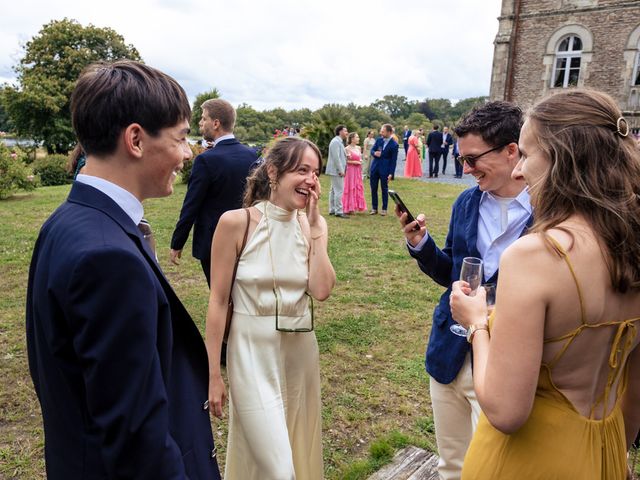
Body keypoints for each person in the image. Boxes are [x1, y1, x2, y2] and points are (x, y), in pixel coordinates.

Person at [26, 60, 221, 479]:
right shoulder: (107, 257)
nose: (188, 154)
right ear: (135, 139)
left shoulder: (67, 221)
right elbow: (137, 440)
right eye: (182, 138)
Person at [450, 89, 640, 479]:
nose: (519, 171)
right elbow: (634, 396)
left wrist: (476, 324)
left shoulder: (536, 256)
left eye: (526, 154)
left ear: (563, 160)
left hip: (527, 459)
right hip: (604, 453)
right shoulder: (633, 247)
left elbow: (506, 411)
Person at [396, 101, 531, 480]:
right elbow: (451, 272)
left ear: (511, 150)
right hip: (451, 352)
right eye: (462, 160)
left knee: (492, 470)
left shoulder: (549, 211)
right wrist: (422, 245)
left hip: (508, 360)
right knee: (451, 465)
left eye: (473, 160)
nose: (465, 169)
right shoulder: (466, 202)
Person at [206, 136, 336, 479]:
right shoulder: (237, 223)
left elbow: (321, 289)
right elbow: (218, 301)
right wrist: (213, 374)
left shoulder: (311, 226)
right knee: (278, 468)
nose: (311, 179)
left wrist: (316, 228)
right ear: (274, 172)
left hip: (299, 353)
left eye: (316, 172)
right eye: (303, 169)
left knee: (293, 450)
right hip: (251, 354)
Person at [170, 99, 257, 287]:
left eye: (203, 119)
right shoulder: (251, 155)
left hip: (214, 241)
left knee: (220, 294)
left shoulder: (206, 160)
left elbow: (191, 205)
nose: (201, 124)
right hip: (247, 237)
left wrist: (178, 242)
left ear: (216, 123)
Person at [369, 123, 398, 216]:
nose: (381, 132)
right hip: (375, 168)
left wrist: (391, 174)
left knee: (384, 189)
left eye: (383, 131)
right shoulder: (378, 140)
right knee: (373, 188)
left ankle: (384, 209)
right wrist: (374, 153)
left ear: (389, 132)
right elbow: (372, 150)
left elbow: (394, 161)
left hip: (385, 170)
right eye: (381, 131)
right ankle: (374, 208)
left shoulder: (394, 144)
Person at [326, 124, 349, 218]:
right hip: (337, 170)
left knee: (333, 191)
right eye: (345, 131)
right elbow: (336, 158)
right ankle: (339, 211)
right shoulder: (335, 142)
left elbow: (339, 156)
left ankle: (332, 209)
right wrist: (341, 170)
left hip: (335, 170)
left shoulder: (338, 141)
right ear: (340, 131)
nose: (347, 133)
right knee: (339, 190)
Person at [342, 132, 367, 213]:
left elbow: (360, 158)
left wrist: (360, 161)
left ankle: (356, 206)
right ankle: (348, 207)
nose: (358, 139)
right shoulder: (347, 148)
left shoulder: (359, 148)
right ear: (352, 139)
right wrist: (356, 162)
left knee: (357, 186)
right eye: (357, 137)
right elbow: (346, 161)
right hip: (350, 170)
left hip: (357, 170)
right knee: (350, 187)